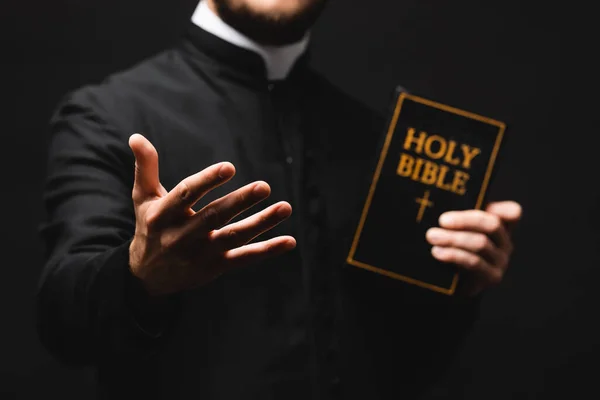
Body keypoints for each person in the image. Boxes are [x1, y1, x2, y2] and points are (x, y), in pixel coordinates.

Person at [37, 0, 523, 399]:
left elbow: (408, 369)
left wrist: (457, 285)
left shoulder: (374, 136)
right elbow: (63, 325)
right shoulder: (104, 117)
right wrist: (138, 277)